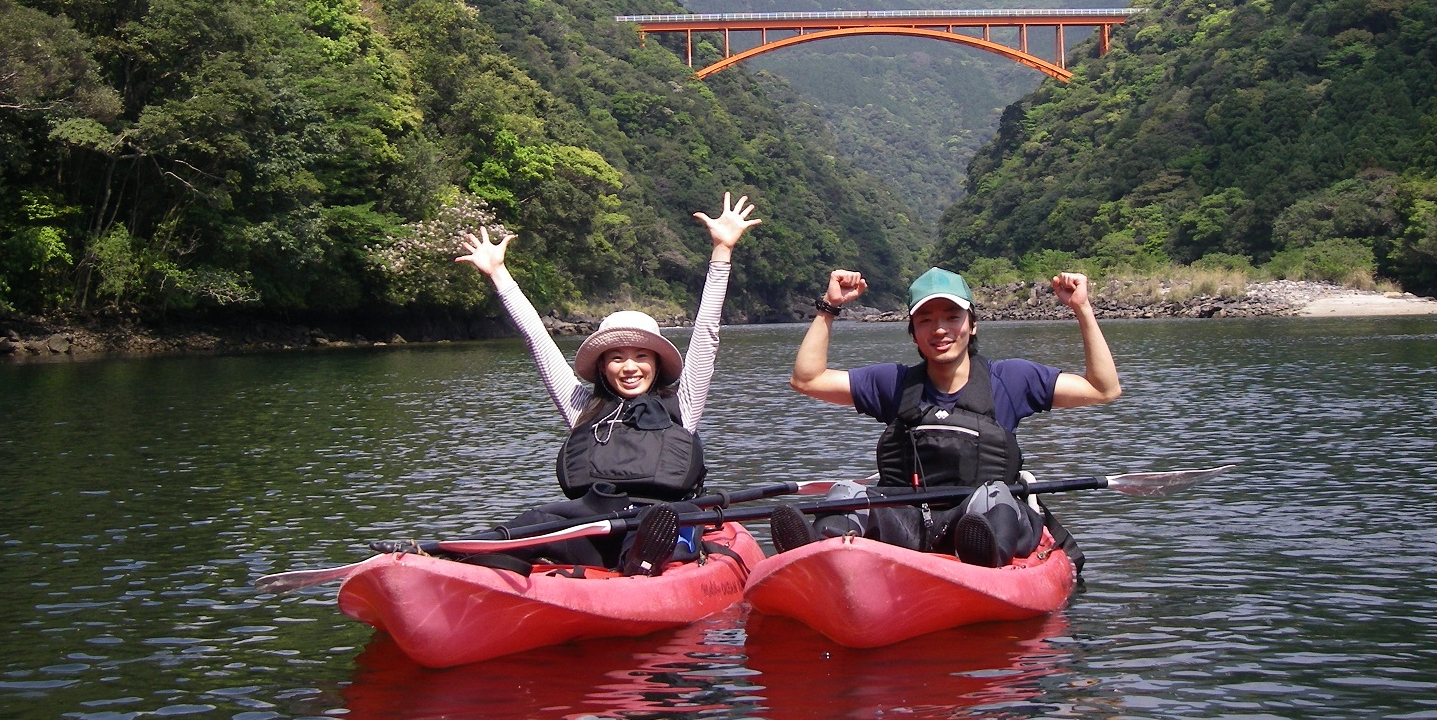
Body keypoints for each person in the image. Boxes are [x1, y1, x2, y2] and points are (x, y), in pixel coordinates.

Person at [449, 193, 761, 576]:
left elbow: (707, 333)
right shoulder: (581, 405)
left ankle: (644, 563)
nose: (629, 367)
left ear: (657, 363)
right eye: (616, 358)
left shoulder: (684, 401)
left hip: (657, 520)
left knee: (661, 526)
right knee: (534, 519)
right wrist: (499, 274)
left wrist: (721, 253)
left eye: (641, 356)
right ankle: (478, 562)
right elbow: (538, 341)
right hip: (594, 523)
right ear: (602, 367)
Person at [782, 266, 1121, 567]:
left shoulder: (1012, 379)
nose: (939, 330)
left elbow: (1102, 388)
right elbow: (807, 379)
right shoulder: (895, 383)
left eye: (951, 317)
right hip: (907, 524)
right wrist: (829, 308)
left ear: (972, 325)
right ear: (914, 333)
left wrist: (1082, 308)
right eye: (925, 320)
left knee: (993, 498)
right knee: (845, 492)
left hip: (984, 521)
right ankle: (819, 556)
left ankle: (981, 559)